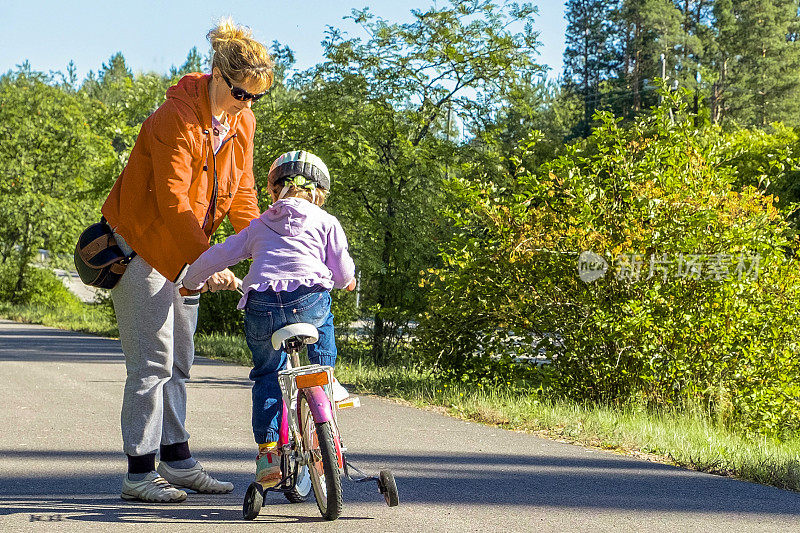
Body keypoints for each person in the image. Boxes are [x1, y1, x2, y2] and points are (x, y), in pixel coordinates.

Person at [100, 19, 274, 502]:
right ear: (218, 75)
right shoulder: (173, 118)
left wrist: (261, 248)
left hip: (189, 248)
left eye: (257, 98)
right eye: (241, 94)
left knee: (180, 360)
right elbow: (174, 201)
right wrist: (209, 261)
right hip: (143, 245)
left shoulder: (242, 122)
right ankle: (139, 473)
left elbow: (242, 192)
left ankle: (176, 460)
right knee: (150, 363)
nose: (247, 105)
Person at [181, 150, 356, 489]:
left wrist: (192, 282)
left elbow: (219, 254)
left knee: (267, 375)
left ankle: (268, 454)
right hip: (308, 301)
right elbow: (342, 270)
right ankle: (325, 377)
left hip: (261, 307)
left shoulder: (258, 225)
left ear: (274, 192)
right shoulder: (326, 221)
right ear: (318, 193)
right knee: (325, 317)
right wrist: (346, 282)